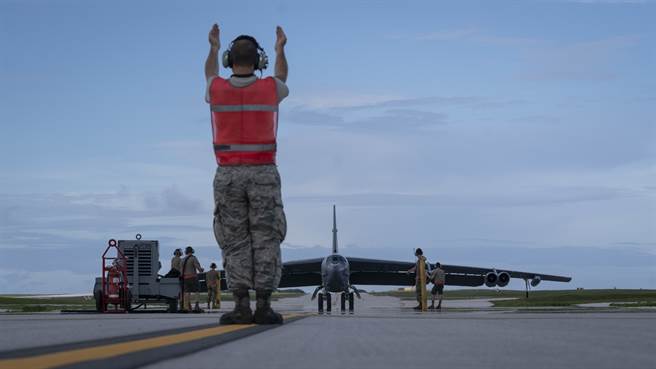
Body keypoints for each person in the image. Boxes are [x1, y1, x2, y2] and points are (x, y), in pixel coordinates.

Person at [204, 23, 289, 325]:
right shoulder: (269, 89)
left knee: (235, 239)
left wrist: (213, 48)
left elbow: (210, 74)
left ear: (229, 60)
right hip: (263, 171)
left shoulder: (216, 89)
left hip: (227, 173)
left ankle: (241, 305)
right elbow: (282, 76)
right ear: (259, 62)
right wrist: (280, 50)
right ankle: (264, 305)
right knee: (266, 236)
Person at [181, 246, 204, 312]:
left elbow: (181, 270)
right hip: (193, 277)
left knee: (187, 292)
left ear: (186, 252)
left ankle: (187, 307)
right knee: (197, 290)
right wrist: (201, 270)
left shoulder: (183, 259)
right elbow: (197, 266)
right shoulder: (193, 258)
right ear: (192, 251)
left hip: (185, 278)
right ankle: (196, 306)